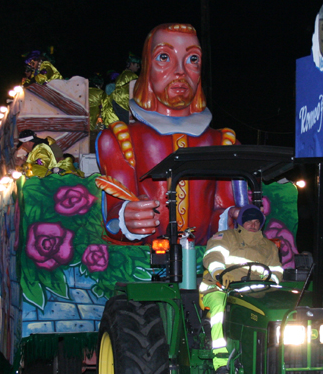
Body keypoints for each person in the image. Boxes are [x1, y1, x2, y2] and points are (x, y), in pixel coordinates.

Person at [97, 23, 237, 246]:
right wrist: (127, 217)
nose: (180, 70)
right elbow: (113, 220)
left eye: (192, 59)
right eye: (164, 57)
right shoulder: (119, 140)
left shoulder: (224, 143)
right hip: (145, 266)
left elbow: (219, 216)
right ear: (147, 66)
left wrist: (230, 219)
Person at [199, 206, 282, 371]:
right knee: (219, 308)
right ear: (241, 222)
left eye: (257, 221)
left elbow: (277, 272)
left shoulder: (269, 246)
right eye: (249, 220)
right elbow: (213, 256)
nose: (253, 224)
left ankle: (272, 363)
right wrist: (220, 274)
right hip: (219, 289)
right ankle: (221, 360)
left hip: (254, 294)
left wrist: (268, 284)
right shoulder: (224, 237)